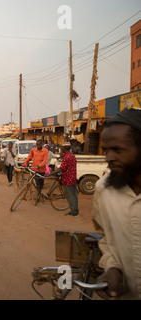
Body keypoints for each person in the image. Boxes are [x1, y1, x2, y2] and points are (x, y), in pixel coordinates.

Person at [92, 107, 141, 300]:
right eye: (106, 150)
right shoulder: (103, 189)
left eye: (118, 150)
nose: (108, 158)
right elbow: (105, 238)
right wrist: (112, 267)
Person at [47, 142, 78, 216]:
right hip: (73, 178)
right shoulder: (71, 155)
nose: (61, 149)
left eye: (62, 148)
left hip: (68, 179)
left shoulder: (67, 157)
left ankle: (74, 211)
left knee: (70, 196)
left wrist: (51, 173)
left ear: (64, 148)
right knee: (74, 195)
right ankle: (75, 209)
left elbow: (61, 168)